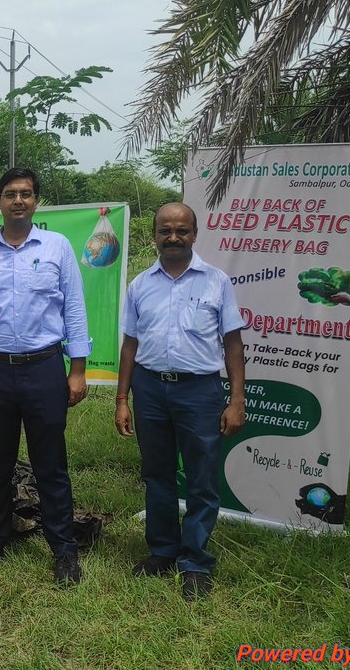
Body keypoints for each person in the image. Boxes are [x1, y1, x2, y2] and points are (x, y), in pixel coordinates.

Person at [0, 167, 92, 587]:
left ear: (35, 202)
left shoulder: (57, 247)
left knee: (51, 464)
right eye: (11, 193)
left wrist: (78, 369)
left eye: (26, 194)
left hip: (45, 369)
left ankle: (63, 549)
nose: (18, 200)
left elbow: (74, 309)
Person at [114, 201, 246, 600]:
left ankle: (195, 561)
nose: (173, 237)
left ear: (194, 233)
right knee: (157, 474)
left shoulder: (216, 282)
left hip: (199, 391)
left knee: (202, 478)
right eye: (165, 230)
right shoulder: (140, 284)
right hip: (150, 389)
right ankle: (163, 551)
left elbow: (233, 345)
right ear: (153, 235)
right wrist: (123, 398)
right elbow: (130, 345)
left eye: (181, 230)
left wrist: (236, 398)